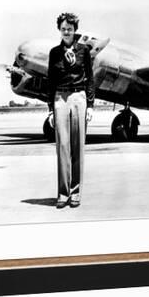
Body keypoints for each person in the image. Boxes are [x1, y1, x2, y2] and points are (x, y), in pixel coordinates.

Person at [47, 13, 95, 208]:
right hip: (60, 98)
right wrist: (51, 109)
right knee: (63, 148)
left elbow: (90, 79)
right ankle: (62, 193)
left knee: (78, 148)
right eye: (63, 28)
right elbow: (50, 82)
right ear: (59, 30)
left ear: (75, 30)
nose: (66, 31)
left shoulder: (84, 51)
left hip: (79, 98)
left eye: (70, 28)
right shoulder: (54, 53)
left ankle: (75, 193)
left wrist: (90, 105)